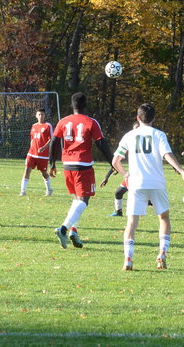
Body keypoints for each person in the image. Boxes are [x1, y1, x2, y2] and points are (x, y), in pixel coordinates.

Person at [112, 103, 184, 271]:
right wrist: (182, 171)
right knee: (164, 218)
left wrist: (126, 175)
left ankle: (128, 259)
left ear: (138, 118)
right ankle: (162, 253)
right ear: (154, 118)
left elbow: (115, 161)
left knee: (131, 222)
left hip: (136, 184)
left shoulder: (129, 135)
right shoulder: (159, 134)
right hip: (156, 183)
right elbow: (167, 155)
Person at [49, 92, 113, 249]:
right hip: (83, 166)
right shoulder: (91, 122)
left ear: (72, 105)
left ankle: (73, 231)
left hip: (67, 165)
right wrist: (113, 162)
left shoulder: (63, 121)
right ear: (85, 105)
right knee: (84, 201)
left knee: (77, 200)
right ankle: (63, 229)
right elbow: (101, 143)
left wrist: (52, 163)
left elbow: (54, 142)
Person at [100, 122, 140, 217]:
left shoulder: (145, 144)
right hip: (131, 176)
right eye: (135, 129)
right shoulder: (130, 142)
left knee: (141, 196)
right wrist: (107, 177)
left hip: (141, 176)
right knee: (118, 193)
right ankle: (119, 212)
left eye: (138, 128)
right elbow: (116, 162)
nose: (136, 131)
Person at [20, 109, 53, 197]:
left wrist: (43, 148)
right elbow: (32, 139)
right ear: (36, 116)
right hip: (31, 153)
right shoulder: (34, 126)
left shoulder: (48, 126)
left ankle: (49, 189)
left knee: (44, 173)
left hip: (42, 155)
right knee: (27, 170)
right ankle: (23, 191)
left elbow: (51, 139)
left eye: (42, 114)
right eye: (39, 114)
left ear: (45, 115)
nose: (41, 116)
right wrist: (30, 149)